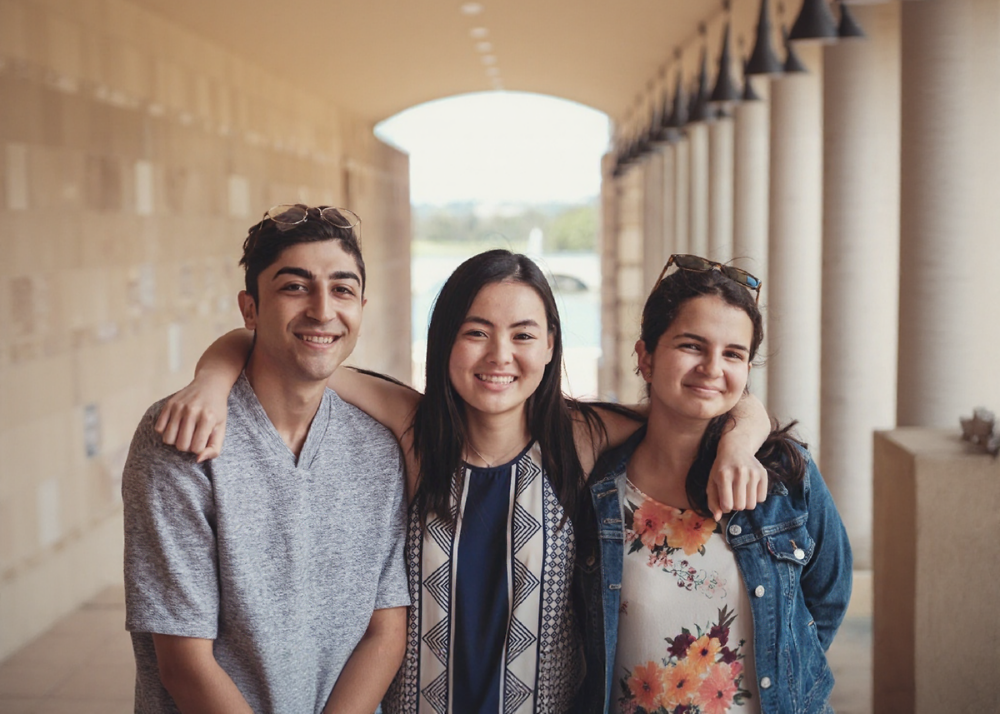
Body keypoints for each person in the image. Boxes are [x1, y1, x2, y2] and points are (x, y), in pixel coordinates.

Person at [157, 248, 773, 714]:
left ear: (550, 345)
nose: (500, 355)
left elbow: (707, 398)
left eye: (523, 335)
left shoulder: (578, 438)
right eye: (476, 332)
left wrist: (741, 442)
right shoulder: (413, 430)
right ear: (444, 341)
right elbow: (274, 345)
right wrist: (210, 382)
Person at [122, 205, 410, 714]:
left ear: (362, 308)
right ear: (250, 309)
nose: (322, 309)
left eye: (342, 290)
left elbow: (384, 633)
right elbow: (185, 664)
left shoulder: (378, 448)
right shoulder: (184, 437)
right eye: (295, 287)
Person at [576, 254, 852, 714]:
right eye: (691, 345)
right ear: (645, 357)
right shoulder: (598, 488)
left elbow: (828, 594)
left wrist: (790, 679)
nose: (712, 367)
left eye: (733, 354)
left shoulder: (785, 477)